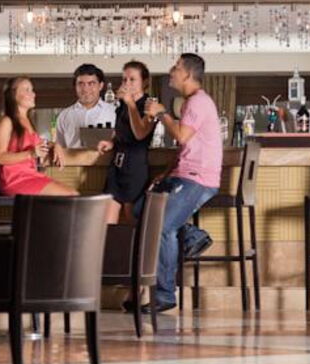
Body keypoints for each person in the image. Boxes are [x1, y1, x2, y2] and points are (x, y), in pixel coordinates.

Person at [140, 53, 223, 313]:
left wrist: (161, 113)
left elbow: (182, 136)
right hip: (182, 174)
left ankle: (165, 295)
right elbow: (186, 147)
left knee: (163, 227)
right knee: (140, 210)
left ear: (187, 74)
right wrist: (166, 172)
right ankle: (194, 236)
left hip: (198, 178)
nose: (171, 71)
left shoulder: (198, 102)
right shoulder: (190, 102)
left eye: (176, 67)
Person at [95, 61, 157, 224]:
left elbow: (140, 134)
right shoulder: (122, 104)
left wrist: (130, 103)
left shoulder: (150, 105)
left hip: (135, 167)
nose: (127, 83)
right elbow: (121, 131)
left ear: (144, 82)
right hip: (116, 166)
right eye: (124, 79)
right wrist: (111, 142)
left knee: (132, 221)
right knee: (106, 223)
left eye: (132, 79)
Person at [0, 77, 78, 196]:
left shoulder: (28, 121)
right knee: (71, 196)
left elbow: (40, 144)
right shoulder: (6, 122)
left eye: (32, 90)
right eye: (27, 90)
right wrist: (31, 153)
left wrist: (55, 145)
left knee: (72, 194)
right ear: (13, 95)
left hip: (31, 176)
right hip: (15, 180)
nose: (33, 94)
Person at [53, 64, 116, 149]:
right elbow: (60, 148)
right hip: (72, 158)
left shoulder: (114, 113)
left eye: (91, 83)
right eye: (81, 84)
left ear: (100, 86)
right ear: (75, 86)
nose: (86, 89)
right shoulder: (64, 116)